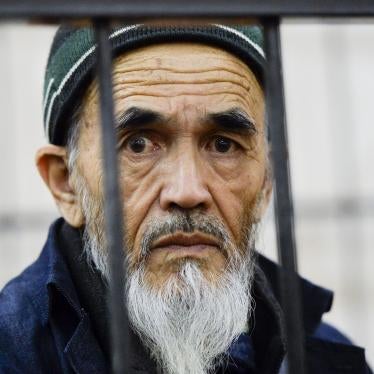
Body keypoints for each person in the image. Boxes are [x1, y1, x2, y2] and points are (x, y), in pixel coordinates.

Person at [0, 24, 371, 374]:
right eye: (139, 144)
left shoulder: (322, 355)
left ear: (267, 181)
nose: (188, 191)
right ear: (66, 184)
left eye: (224, 145)